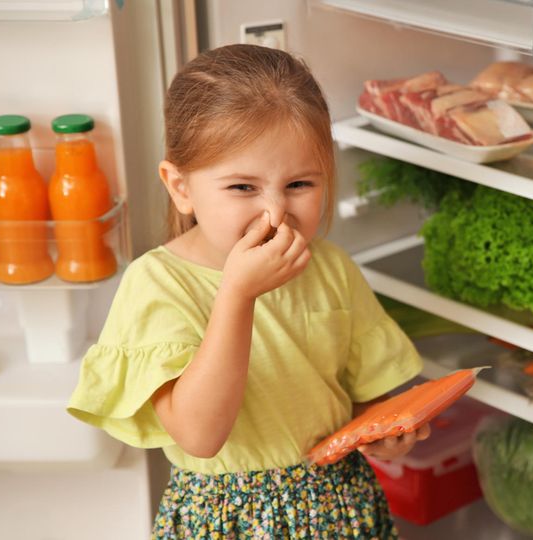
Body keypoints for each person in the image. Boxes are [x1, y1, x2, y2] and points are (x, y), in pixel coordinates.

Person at [67, 44, 428, 539]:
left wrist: (388, 432)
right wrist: (237, 295)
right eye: (243, 188)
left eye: (299, 183)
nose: (275, 213)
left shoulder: (332, 269)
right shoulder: (159, 283)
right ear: (181, 187)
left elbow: (366, 399)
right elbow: (199, 434)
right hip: (228, 521)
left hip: (342, 507)